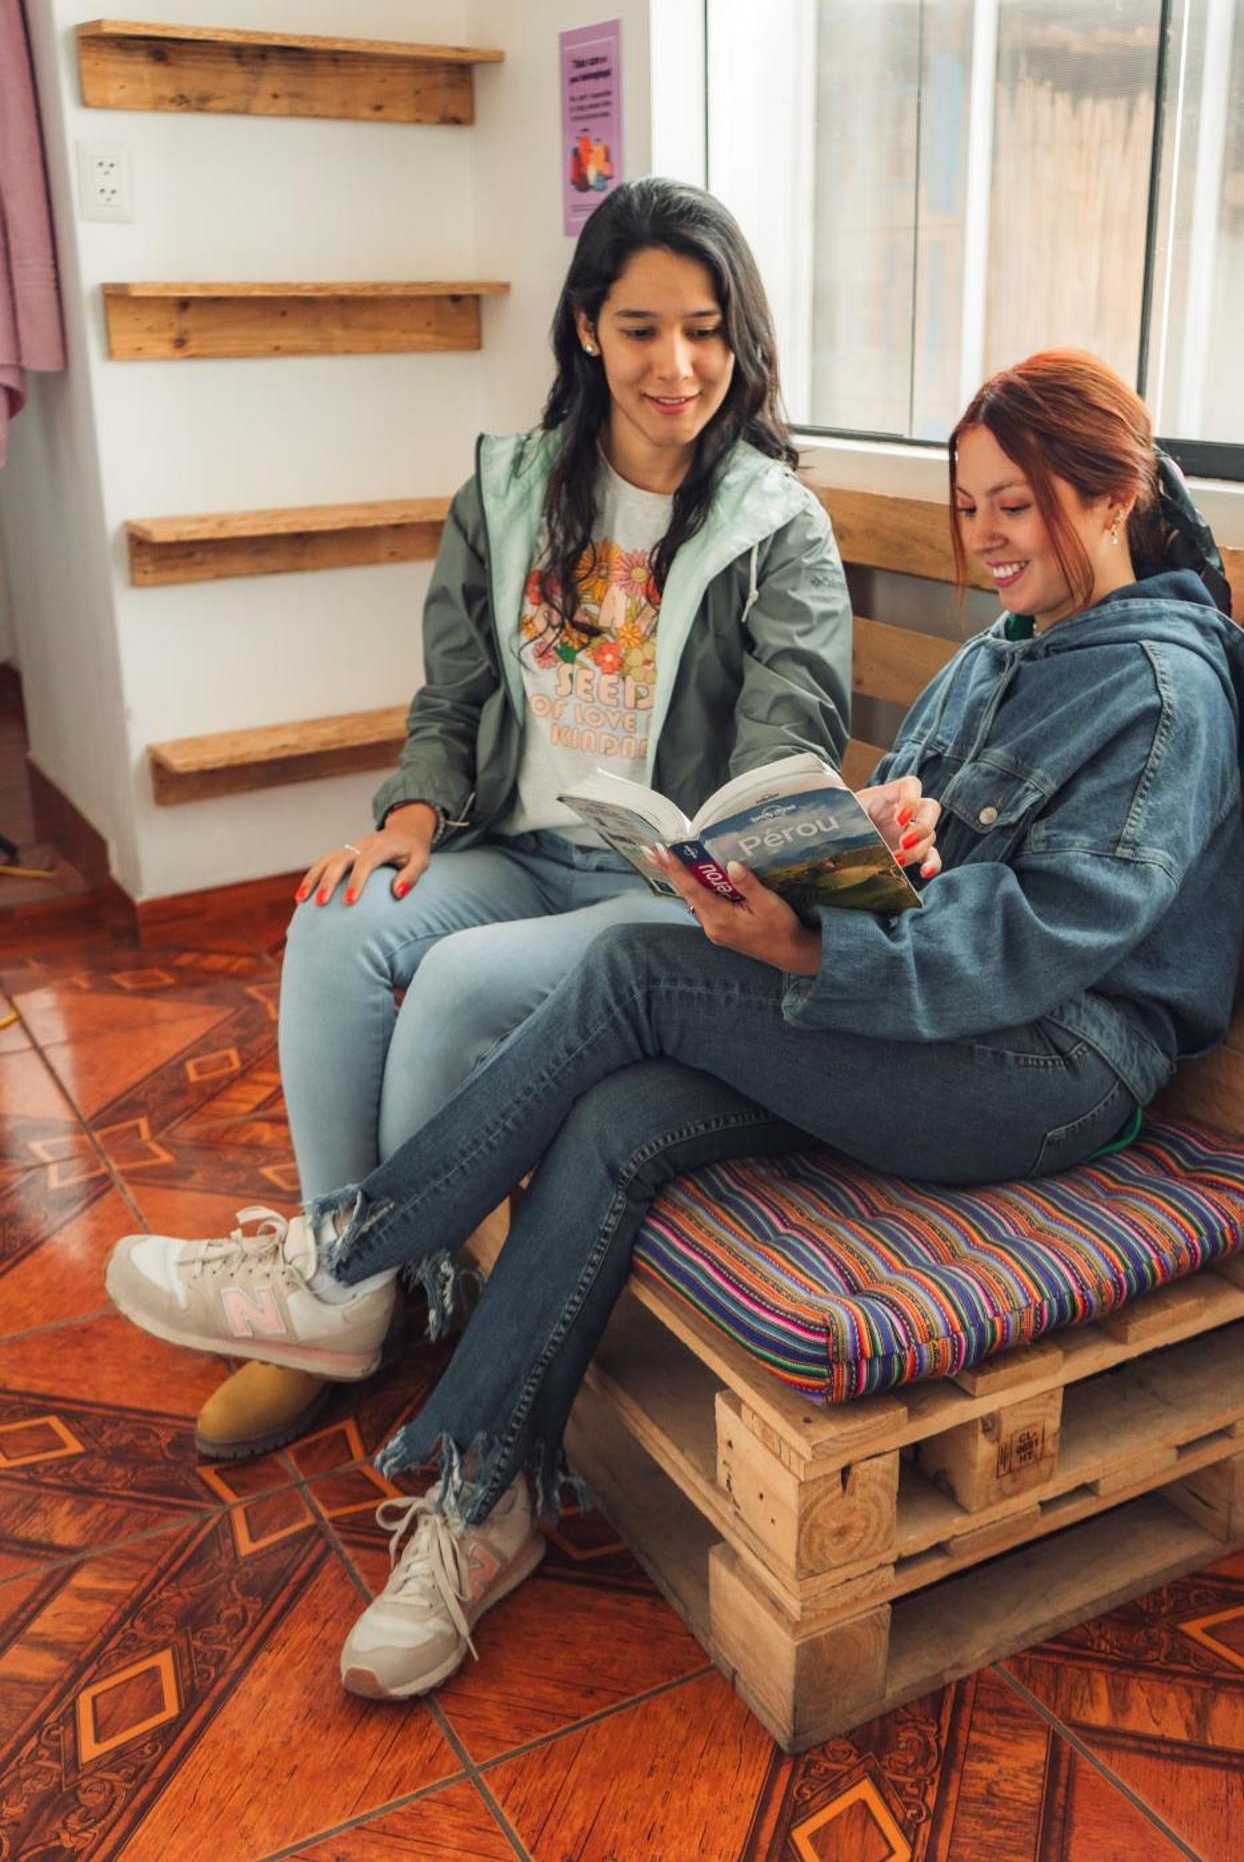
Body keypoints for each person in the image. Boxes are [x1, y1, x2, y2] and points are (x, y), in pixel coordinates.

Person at [106, 347, 1244, 1701]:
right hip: (939, 1041)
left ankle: (347, 1266)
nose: (987, 538)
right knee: (617, 1116)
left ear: (1114, 491)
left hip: (1056, 1076)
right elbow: (918, 854)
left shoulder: (1157, 690)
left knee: (637, 972)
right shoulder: (1000, 656)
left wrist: (808, 939)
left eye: (1016, 505)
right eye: (972, 507)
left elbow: (1037, 942)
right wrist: (866, 849)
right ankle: (489, 1506)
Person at [193, 178, 853, 1462]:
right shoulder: (508, 490)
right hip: (511, 849)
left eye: (709, 328)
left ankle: (347, 1295)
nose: (679, 363)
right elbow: (457, 691)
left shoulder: (780, 528)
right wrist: (416, 810)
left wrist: (737, 841)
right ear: (587, 330)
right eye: (644, 325)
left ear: (742, 340)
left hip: (653, 893)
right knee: (340, 920)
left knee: (452, 983)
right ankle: (358, 1293)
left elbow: (791, 735)